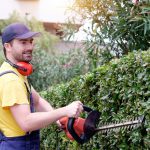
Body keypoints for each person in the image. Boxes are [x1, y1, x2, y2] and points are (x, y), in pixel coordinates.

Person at [0, 22, 83, 150]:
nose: (30, 46)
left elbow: (38, 101)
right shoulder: (11, 80)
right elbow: (26, 122)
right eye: (23, 42)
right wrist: (64, 110)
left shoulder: (17, 73)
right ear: (8, 46)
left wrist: (60, 120)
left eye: (31, 41)